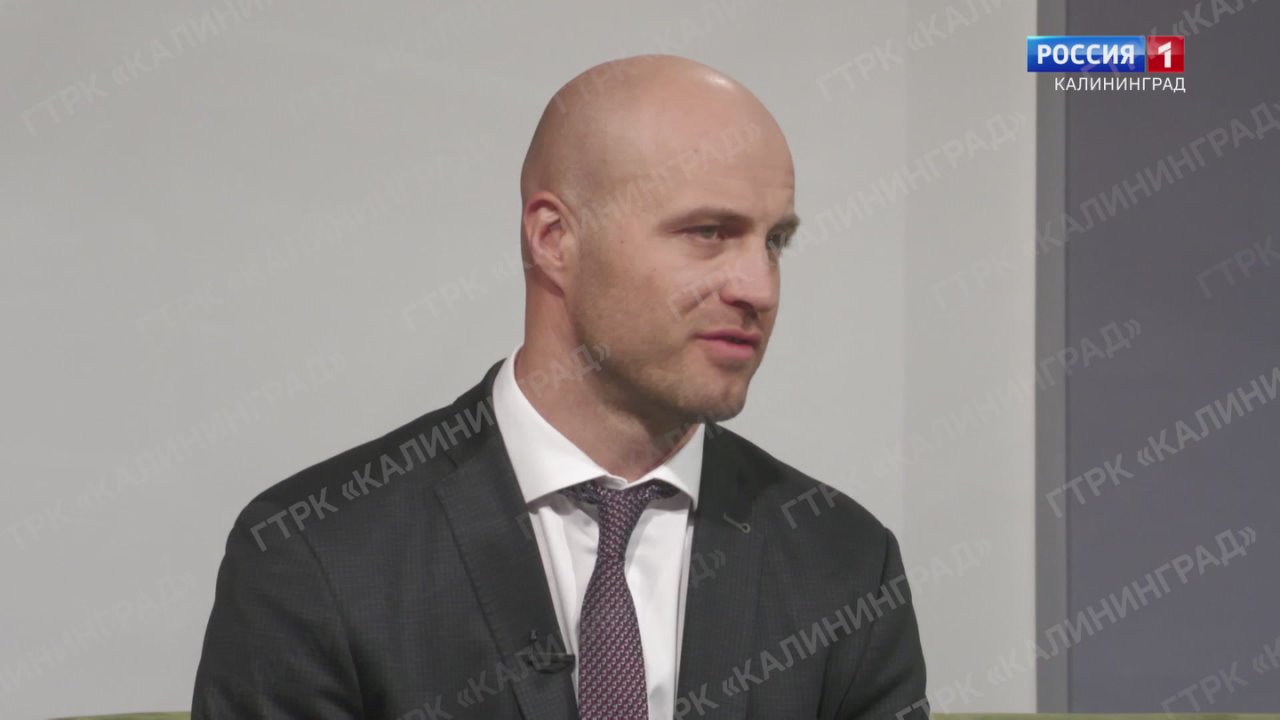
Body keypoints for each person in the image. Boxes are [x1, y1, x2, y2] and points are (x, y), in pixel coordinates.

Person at [192, 53, 928, 720]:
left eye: (774, 241)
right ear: (554, 239)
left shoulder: (846, 567)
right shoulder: (317, 553)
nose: (758, 287)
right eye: (708, 232)